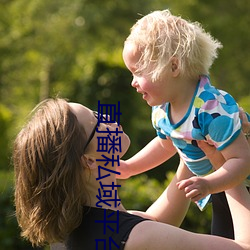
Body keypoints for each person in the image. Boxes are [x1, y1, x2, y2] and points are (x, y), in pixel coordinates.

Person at [13, 98, 250, 250]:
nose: (108, 117)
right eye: (97, 120)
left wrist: (189, 138)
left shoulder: (75, 232)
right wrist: (226, 166)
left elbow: (155, 221)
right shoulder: (138, 238)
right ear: (88, 160)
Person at [120, 9, 250, 238]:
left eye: (138, 72)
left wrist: (209, 184)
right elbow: (165, 145)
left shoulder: (211, 109)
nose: (133, 82)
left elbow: (242, 160)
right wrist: (130, 167)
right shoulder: (162, 110)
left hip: (239, 185)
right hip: (221, 188)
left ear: (173, 67)